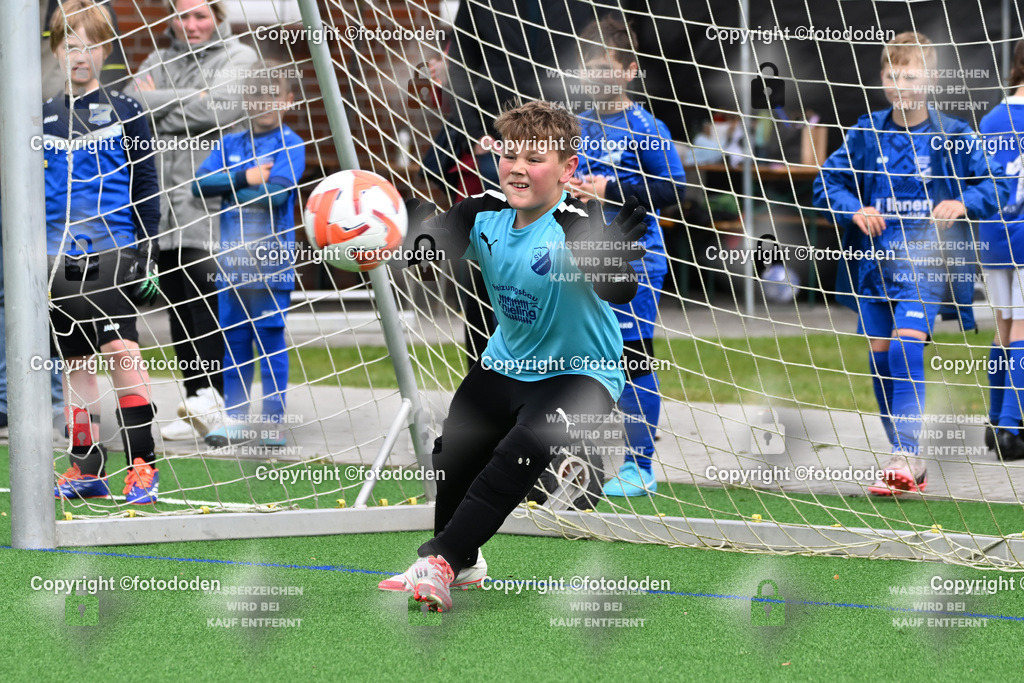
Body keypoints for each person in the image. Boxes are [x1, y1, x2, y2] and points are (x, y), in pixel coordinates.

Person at [377, 101, 648, 611]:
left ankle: (439, 559)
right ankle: (465, 562)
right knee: (454, 454)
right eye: (510, 155)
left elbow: (619, 290)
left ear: (569, 169)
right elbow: (429, 255)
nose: (518, 168)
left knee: (522, 448)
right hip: (506, 363)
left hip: (582, 373)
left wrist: (608, 260)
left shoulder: (576, 223)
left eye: (536, 159)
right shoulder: (481, 213)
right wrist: (407, 238)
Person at [813, 32, 1007, 495]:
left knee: (905, 349)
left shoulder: (954, 134)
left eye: (911, 75)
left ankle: (902, 454)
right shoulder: (865, 131)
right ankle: (909, 460)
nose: (901, 84)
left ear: (931, 79)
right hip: (875, 265)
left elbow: (995, 186)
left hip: (927, 262)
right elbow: (827, 183)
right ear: (881, 79)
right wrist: (853, 209)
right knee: (880, 360)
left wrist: (961, 202)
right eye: (892, 75)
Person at [45, 0, 162, 503]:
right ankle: (87, 467)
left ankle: (143, 463)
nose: (80, 54)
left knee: (120, 349)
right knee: (75, 363)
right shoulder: (41, 117)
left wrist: (148, 250)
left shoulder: (126, 110)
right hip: (54, 257)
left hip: (114, 249)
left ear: (106, 50)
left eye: (90, 44)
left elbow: (147, 185)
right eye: (70, 44)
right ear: (55, 51)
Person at [126, 0, 256, 445]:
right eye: (183, 16)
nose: (191, 24)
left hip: (208, 208)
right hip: (162, 208)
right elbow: (131, 105)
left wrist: (161, 105)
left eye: (201, 15)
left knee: (205, 305)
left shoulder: (239, 57)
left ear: (218, 17)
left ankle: (217, 403)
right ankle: (194, 399)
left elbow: (219, 112)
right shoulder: (160, 59)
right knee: (178, 306)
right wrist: (188, 97)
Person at [568, 17, 686, 496]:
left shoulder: (646, 126)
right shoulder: (575, 125)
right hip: (577, 258)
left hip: (635, 258)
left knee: (632, 357)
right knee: (577, 355)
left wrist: (610, 188)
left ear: (629, 71)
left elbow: (676, 188)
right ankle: (575, 453)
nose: (595, 78)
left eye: (604, 68)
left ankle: (640, 465)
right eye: (588, 69)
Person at [192, 65, 305, 448]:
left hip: (272, 264)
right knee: (235, 342)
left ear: (287, 100)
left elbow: (277, 194)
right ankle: (236, 420)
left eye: (273, 95)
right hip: (233, 263)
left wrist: (233, 188)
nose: (264, 103)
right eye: (256, 96)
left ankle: (273, 422)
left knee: (270, 340)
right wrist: (245, 178)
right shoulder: (230, 143)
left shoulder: (292, 143)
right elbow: (199, 185)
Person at [979, 40, 1024, 460]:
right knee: (1023, 331)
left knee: (1004, 327)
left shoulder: (992, 117)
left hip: (993, 236)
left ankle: (994, 422)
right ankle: (1012, 429)